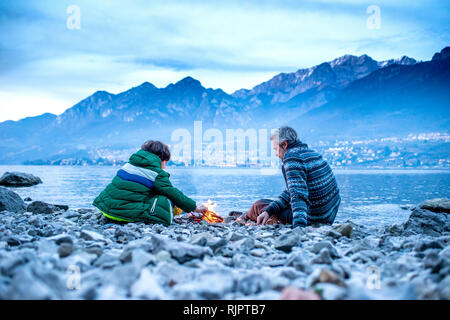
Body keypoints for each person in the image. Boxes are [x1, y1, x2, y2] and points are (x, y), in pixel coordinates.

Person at [238, 126, 341, 228]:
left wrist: (299, 228)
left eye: (276, 149)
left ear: (284, 144)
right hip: (329, 216)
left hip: (312, 218)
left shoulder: (292, 158)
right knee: (269, 207)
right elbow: (290, 192)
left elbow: (298, 196)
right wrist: (269, 210)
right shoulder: (312, 154)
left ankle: (244, 217)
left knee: (258, 205)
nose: (276, 154)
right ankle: (248, 215)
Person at [93, 140, 206, 225]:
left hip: (106, 209)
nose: (165, 166)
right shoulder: (157, 173)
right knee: (166, 199)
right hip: (123, 214)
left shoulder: (129, 165)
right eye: (165, 162)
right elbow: (173, 193)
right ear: (160, 158)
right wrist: (194, 207)